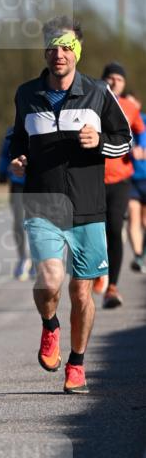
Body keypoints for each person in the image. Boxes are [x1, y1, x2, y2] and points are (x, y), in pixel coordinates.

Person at [9, 18, 132, 394]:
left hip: (88, 206)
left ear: (76, 51)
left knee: (82, 292)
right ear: (44, 51)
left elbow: (123, 141)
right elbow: (18, 140)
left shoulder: (97, 93)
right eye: (51, 46)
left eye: (65, 47)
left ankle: (77, 363)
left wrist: (98, 141)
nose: (58, 54)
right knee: (49, 281)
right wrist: (17, 160)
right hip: (43, 202)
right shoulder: (26, 93)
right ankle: (50, 327)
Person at [93, 63, 146, 306]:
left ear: (124, 84)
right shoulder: (91, 101)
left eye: (119, 79)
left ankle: (112, 287)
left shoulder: (130, 106)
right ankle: (96, 273)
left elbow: (140, 130)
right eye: (110, 78)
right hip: (90, 179)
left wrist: (141, 147)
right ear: (103, 81)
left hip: (120, 179)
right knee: (93, 231)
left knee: (114, 227)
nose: (114, 82)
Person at [0, 124, 32, 279]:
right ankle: (23, 258)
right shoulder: (13, 130)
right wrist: (1, 171)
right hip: (18, 182)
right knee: (19, 222)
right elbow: (6, 154)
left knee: (39, 223)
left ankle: (39, 260)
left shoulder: (45, 123)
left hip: (40, 183)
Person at [126, 100, 146, 273]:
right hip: (131, 178)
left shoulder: (144, 122)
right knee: (133, 217)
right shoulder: (123, 124)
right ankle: (138, 256)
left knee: (145, 221)